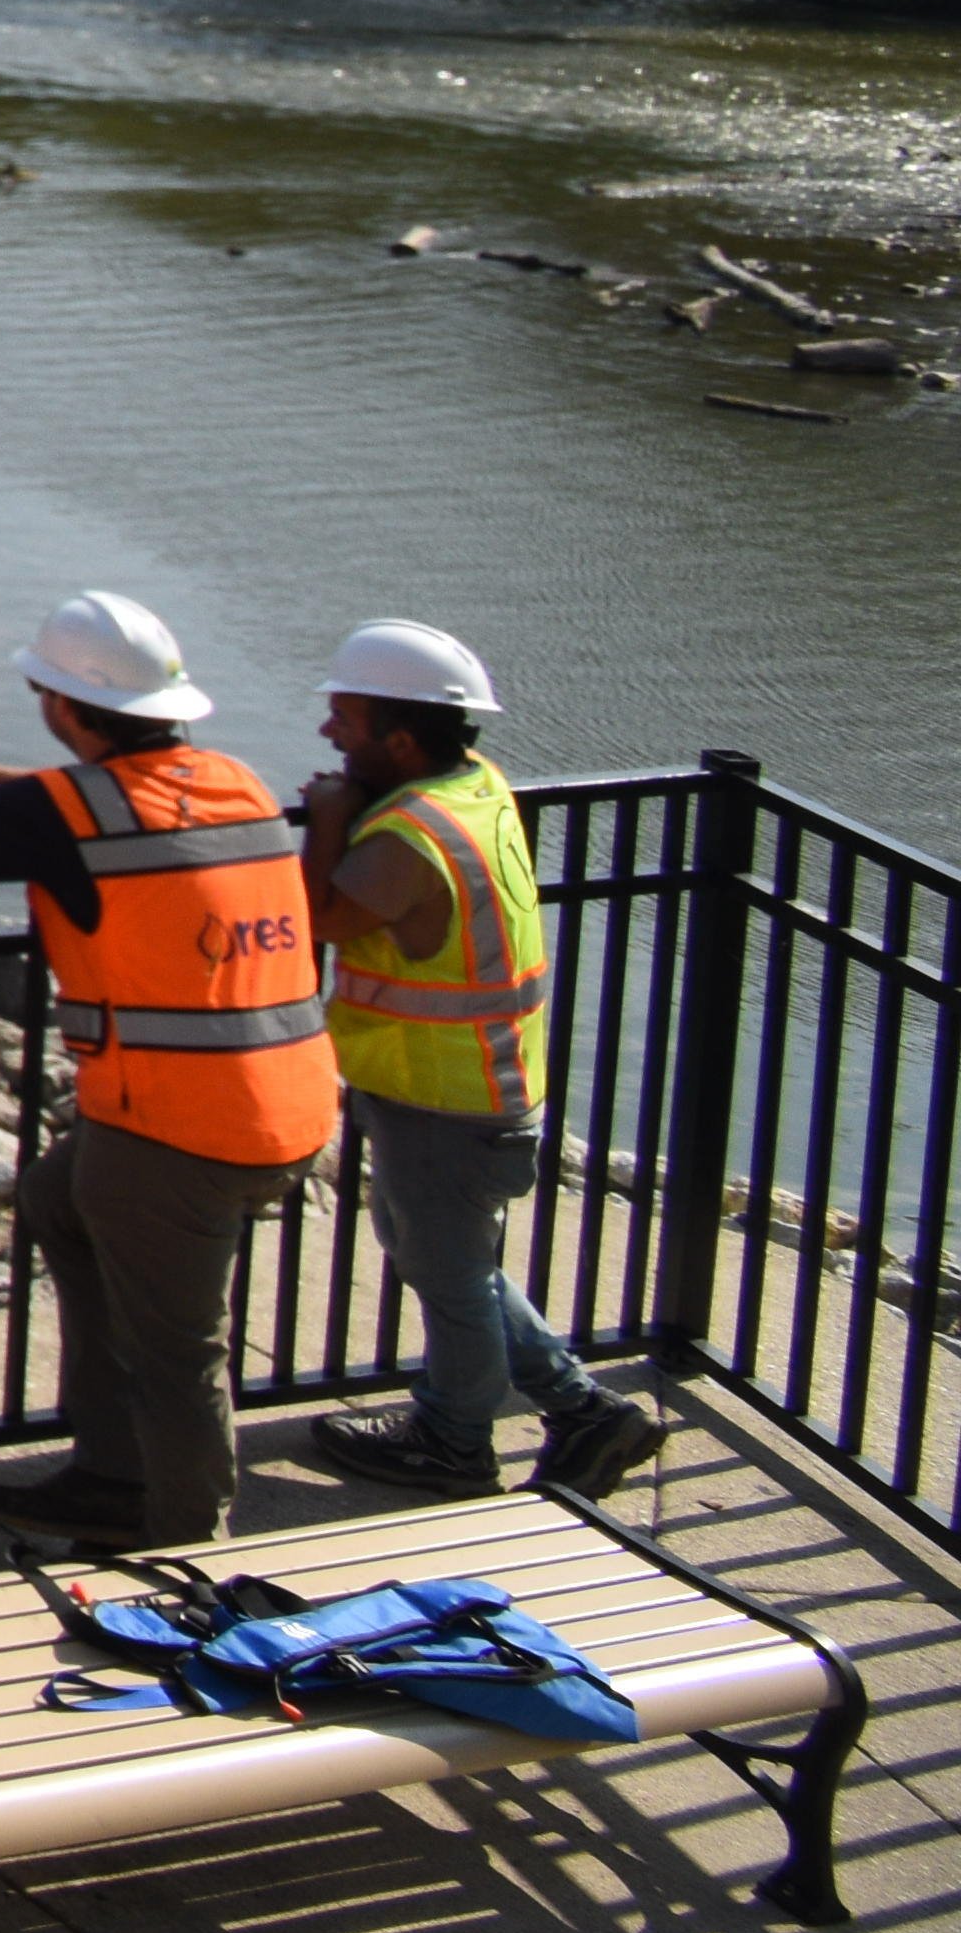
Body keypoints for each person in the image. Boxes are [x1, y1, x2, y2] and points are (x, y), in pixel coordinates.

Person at [0, 593, 338, 1547]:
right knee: (62, 1198)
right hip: (290, 1101)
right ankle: (112, 1472)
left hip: (180, 1131)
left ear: (62, 707)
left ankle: (190, 1551)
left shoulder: (62, 811)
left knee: (181, 1352)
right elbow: (116, 805)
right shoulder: (234, 779)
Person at [296, 621, 666, 1501]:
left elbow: (321, 920)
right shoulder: (475, 785)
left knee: (452, 1275)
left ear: (398, 739)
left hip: (445, 1096)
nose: (327, 734)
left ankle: (454, 1440)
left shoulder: (406, 835)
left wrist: (327, 819)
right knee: (447, 1260)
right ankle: (585, 1412)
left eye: (342, 719)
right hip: (471, 1085)